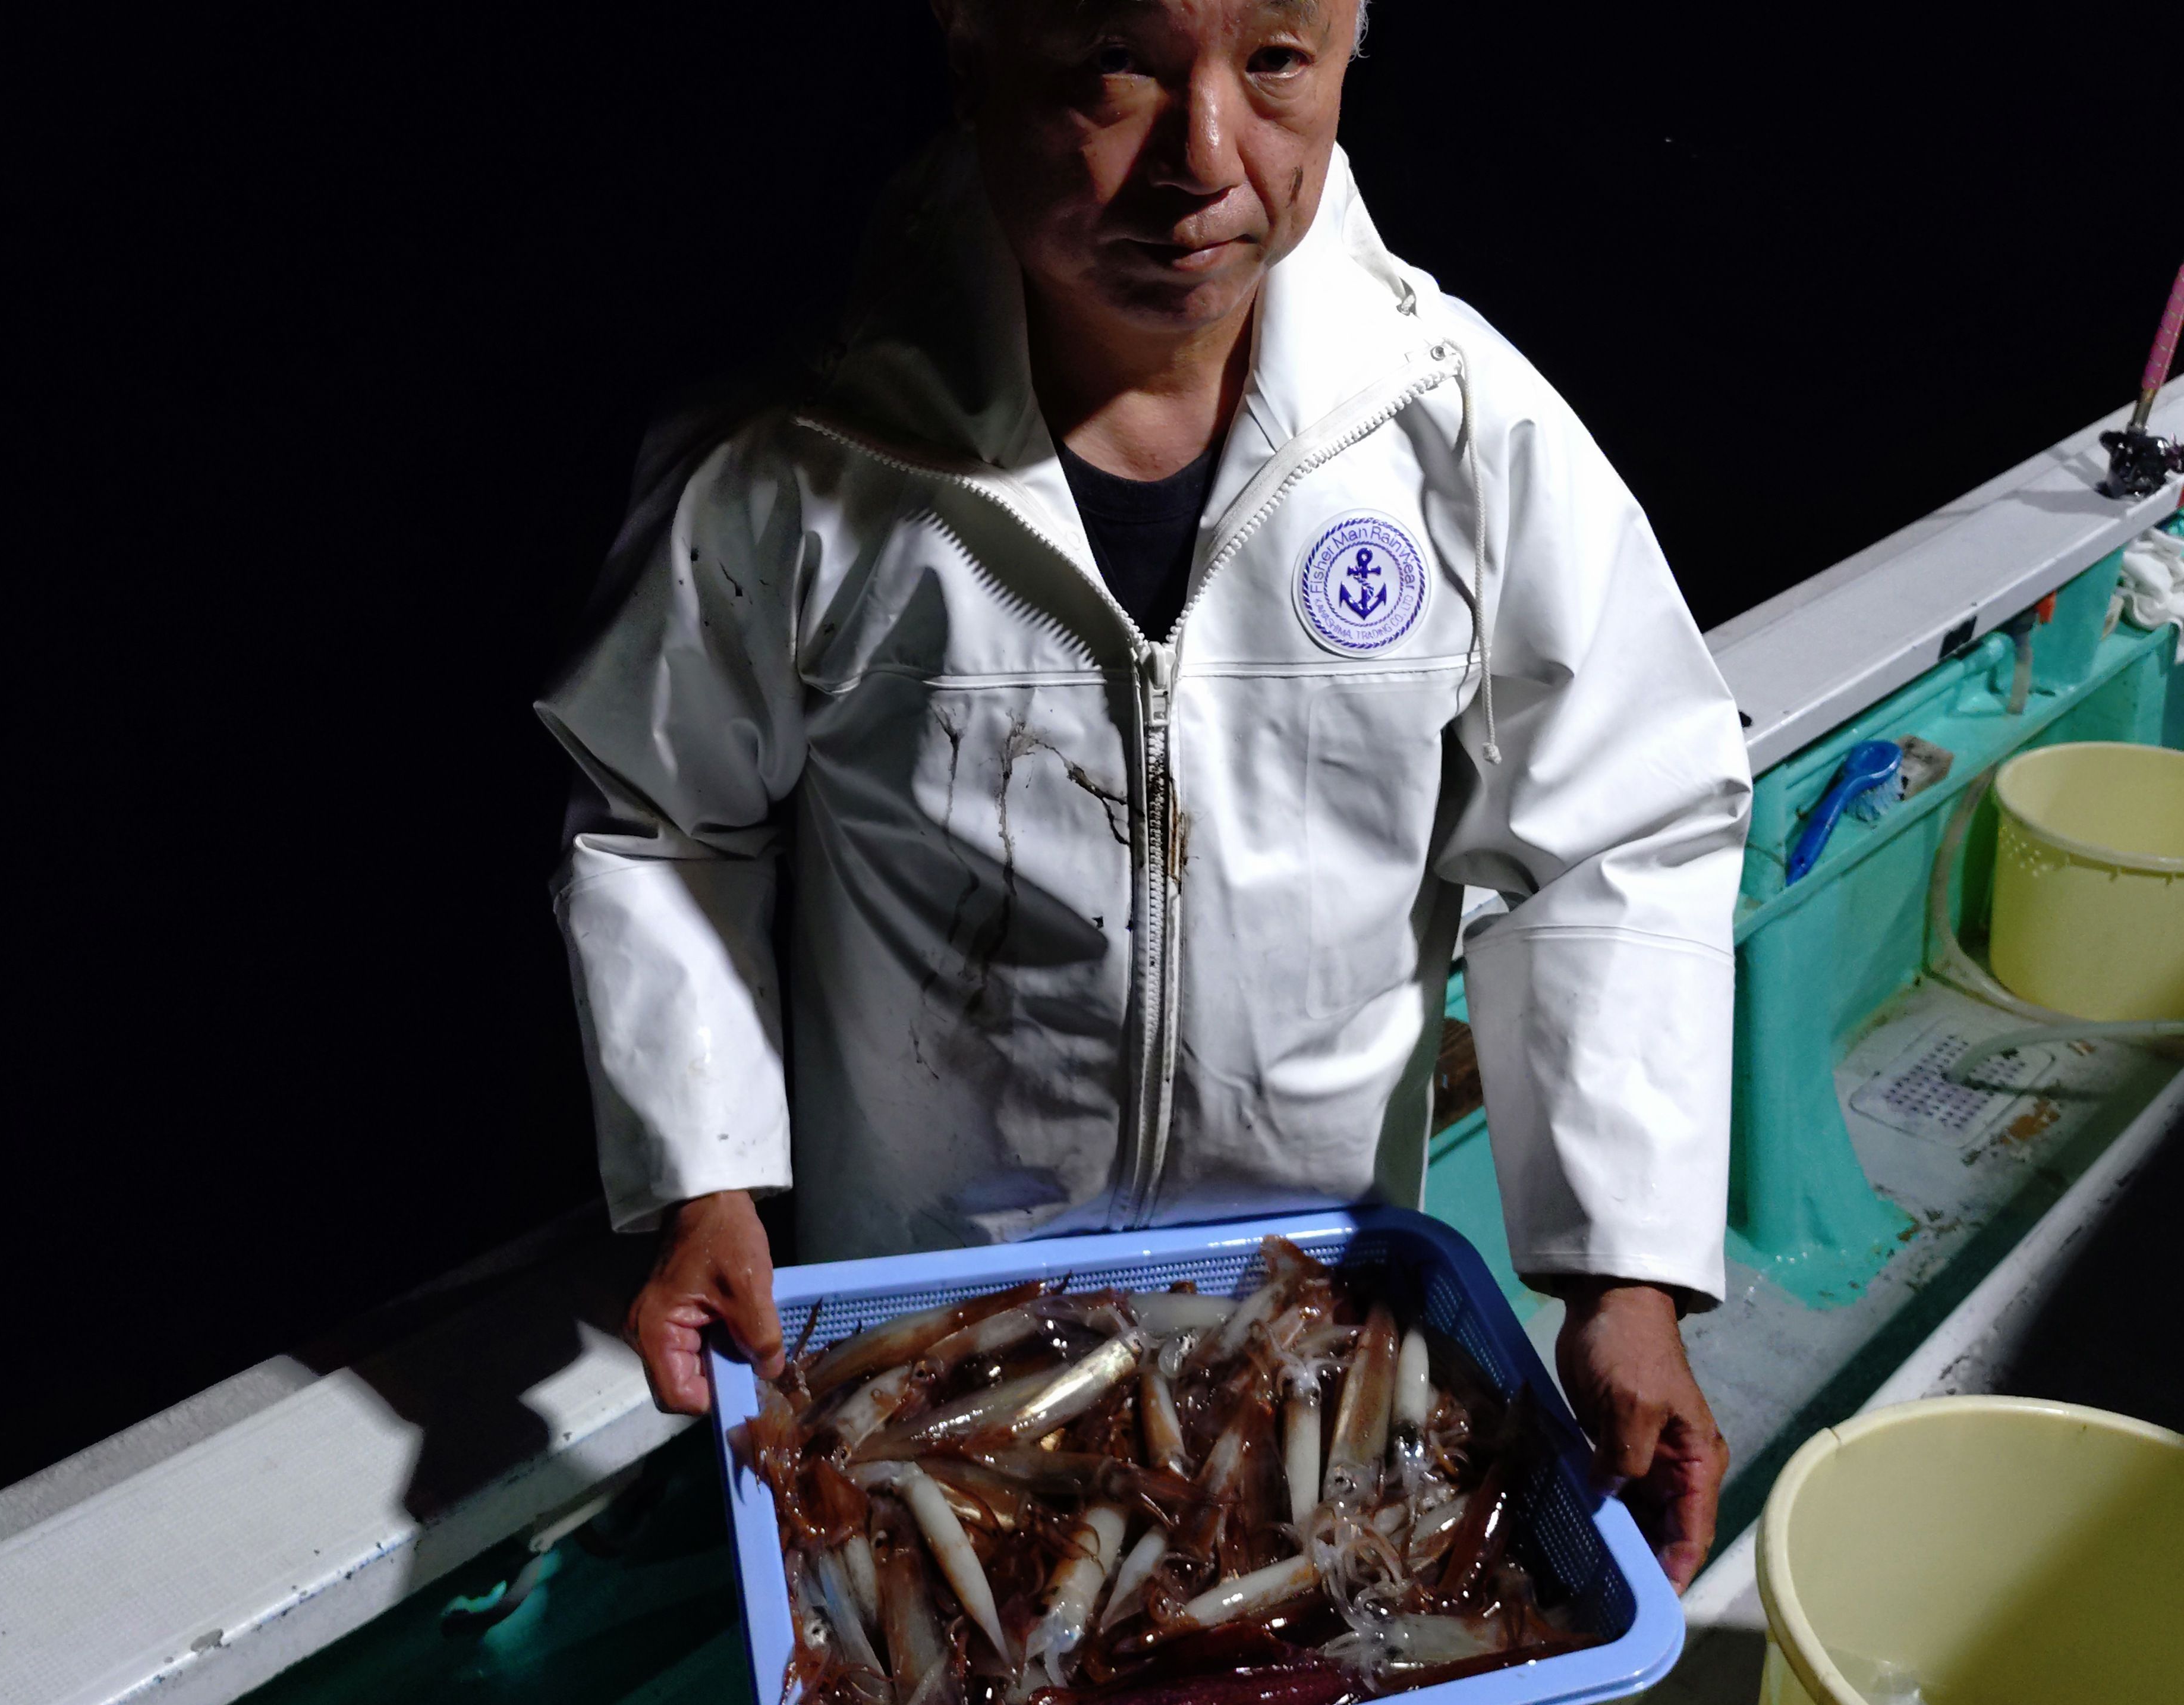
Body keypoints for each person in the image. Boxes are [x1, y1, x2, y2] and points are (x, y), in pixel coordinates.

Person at [537, 0, 1749, 1588]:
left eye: (1277, 61)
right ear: (973, 58)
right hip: (930, 1337)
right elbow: (664, 825)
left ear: (1352, 45)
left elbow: (1617, 831)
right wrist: (706, 1181)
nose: (1205, 157)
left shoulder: (1462, 432)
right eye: (1117, 62)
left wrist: (1623, 1278)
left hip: (1310, 1334)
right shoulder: (797, 459)